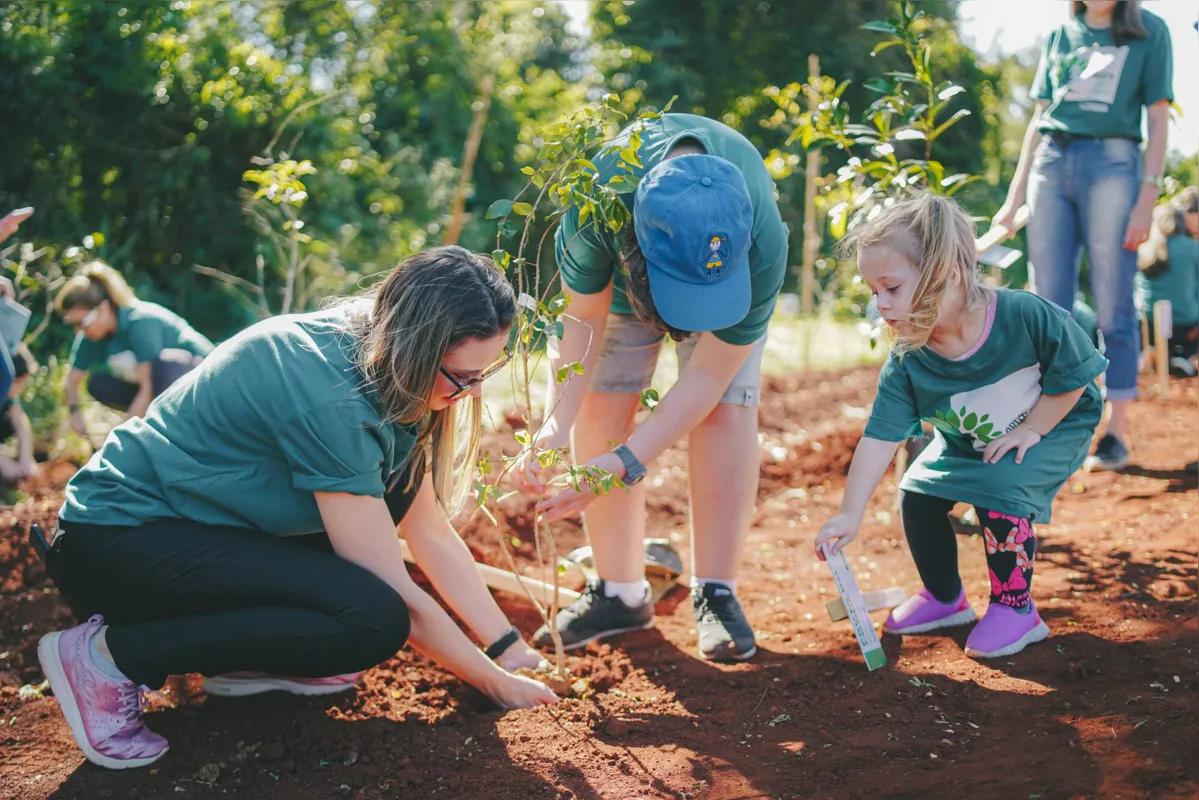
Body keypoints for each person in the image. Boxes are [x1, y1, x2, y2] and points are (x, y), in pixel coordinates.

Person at [36, 246, 558, 771]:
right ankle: (108, 658)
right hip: (120, 544)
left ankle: (242, 665)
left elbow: (430, 534)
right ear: (418, 348)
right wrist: (496, 684)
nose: (470, 394)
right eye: (462, 377)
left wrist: (508, 647)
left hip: (196, 532)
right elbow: (391, 587)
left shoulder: (388, 366)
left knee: (382, 526)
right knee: (371, 618)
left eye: (484, 375)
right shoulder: (330, 393)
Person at [513, 113, 789, 661]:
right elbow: (581, 324)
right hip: (621, 286)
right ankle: (619, 594)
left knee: (726, 410)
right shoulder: (599, 201)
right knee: (601, 401)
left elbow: (709, 375)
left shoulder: (760, 240)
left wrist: (627, 461)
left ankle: (717, 591)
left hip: (726, 285)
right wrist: (553, 426)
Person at [815, 194, 1106, 659]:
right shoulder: (909, 359)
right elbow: (880, 437)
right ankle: (945, 597)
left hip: (1056, 422)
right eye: (874, 292)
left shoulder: (1025, 315)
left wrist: (1032, 429)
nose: (880, 306)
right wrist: (851, 512)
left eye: (891, 288)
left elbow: (1074, 376)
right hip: (970, 440)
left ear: (948, 273)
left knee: (999, 484)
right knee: (918, 491)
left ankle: (1016, 608)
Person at [992, 0, 1174, 471]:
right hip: (1052, 163)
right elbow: (1038, 119)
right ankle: (1048, 428)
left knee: (1114, 303)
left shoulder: (1149, 31)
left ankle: (1115, 433)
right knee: (1049, 306)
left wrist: (1146, 200)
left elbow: (1157, 119)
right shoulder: (1061, 34)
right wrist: (1013, 202)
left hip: (1114, 164)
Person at [55, 261, 214, 433]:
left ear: (103, 308)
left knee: (161, 368)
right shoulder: (90, 336)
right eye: (73, 324)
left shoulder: (139, 322)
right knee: (99, 383)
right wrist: (75, 414)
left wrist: (123, 436)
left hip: (205, 377)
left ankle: (176, 426)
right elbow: (72, 380)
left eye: (82, 322)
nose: (78, 330)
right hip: (161, 386)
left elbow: (148, 386)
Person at [1136, 186, 1199, 377]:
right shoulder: (1192, 248)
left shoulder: (1145, 248)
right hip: (1184, 327)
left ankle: (1151, 350)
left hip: (1146, 323)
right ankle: (1182, 357)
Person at [0, 344, 39, 482]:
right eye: (16, 382)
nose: (19, 388)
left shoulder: (11, 396)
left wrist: (26, 460)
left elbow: (19, 421)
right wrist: (2, 462)